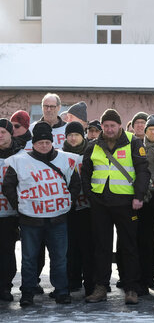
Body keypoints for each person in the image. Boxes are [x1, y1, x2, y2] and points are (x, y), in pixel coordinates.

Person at [3, 122, 80, 307]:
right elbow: (8, 186)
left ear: (52, 142)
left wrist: (67, 202)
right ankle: (27, 293)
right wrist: (20, 205)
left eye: (47, 142)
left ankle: (62, 291)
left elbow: (76, 184)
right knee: (29, 259)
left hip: (58, 219)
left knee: (60, 258)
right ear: (33, 144)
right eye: (40, 143)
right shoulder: (19, 161)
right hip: (30, 221)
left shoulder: (66, 160)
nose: (44, 145)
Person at [81, 109, 150, 305]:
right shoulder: (93, 146)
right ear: (101, 126)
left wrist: (139, 196)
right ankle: (101, 287)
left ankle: (131, 288)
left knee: (128, 246)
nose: (109, 129)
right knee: (101, 247)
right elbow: (85, 173)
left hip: (127, 203)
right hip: (100, 204)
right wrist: (90, 195)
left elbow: (143, 171)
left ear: (120, 125)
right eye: (106, 126)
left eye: (113, 125)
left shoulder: (134, 142)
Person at [61, 121, 95, 296]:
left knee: (87, 246)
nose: (73, 138)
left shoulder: (91, 152)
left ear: (82, 136)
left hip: (88, 207)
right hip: (68, 208)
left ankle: (90, 283)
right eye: (70, 135)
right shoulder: (59, 155)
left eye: (76, 135)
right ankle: (71, 280)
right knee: (69, 247)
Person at [136, 115, 154, 293]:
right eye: (149, 129)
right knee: (146, 238)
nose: (152, 132)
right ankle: (147, 276)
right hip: (146, 197)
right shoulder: (139, 147)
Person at [0, 119, 23, 302]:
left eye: (3, 132)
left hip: (10, 213)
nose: (0, 135)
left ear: (10, 134)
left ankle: (5, 287)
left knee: (7, 251)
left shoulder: (21, 155)